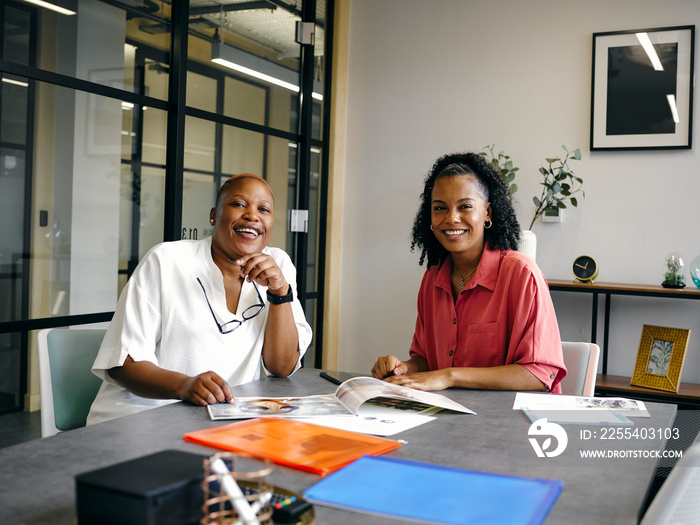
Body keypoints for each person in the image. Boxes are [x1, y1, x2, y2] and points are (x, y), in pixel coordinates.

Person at [87, 173, 312, 425]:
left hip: (221, 421)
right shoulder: (167, 260)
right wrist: (185, 385)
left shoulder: (278, 264)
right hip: (141, 417)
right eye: (238, 204)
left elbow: (281, 367)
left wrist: (280, 293)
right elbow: (123, 364)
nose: (252, 215)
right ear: (213, 215)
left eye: (264, 209)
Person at [371, 153, 566, 393]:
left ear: (487, 213)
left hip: (512, 421)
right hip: (449, 415)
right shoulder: (432, 280)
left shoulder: (522, 275)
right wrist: (402, 368)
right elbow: (427, 362)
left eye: (465, 207)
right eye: (440, 208)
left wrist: (449, 376)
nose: (451, 218)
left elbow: (539, 374)